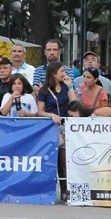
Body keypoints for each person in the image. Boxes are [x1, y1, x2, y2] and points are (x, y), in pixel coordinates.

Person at [37, 61, 78, 200]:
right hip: (51, 127)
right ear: (54, 74)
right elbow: (40, 111)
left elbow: (74, 104)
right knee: (50, 159)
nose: (64, 74)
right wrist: (51, 115)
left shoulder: (66, 87)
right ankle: (47, 190)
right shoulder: (44, 90)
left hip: (65, 126)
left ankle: (65, 190)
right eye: (61, 71)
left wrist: (70, 86)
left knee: (64, 160)